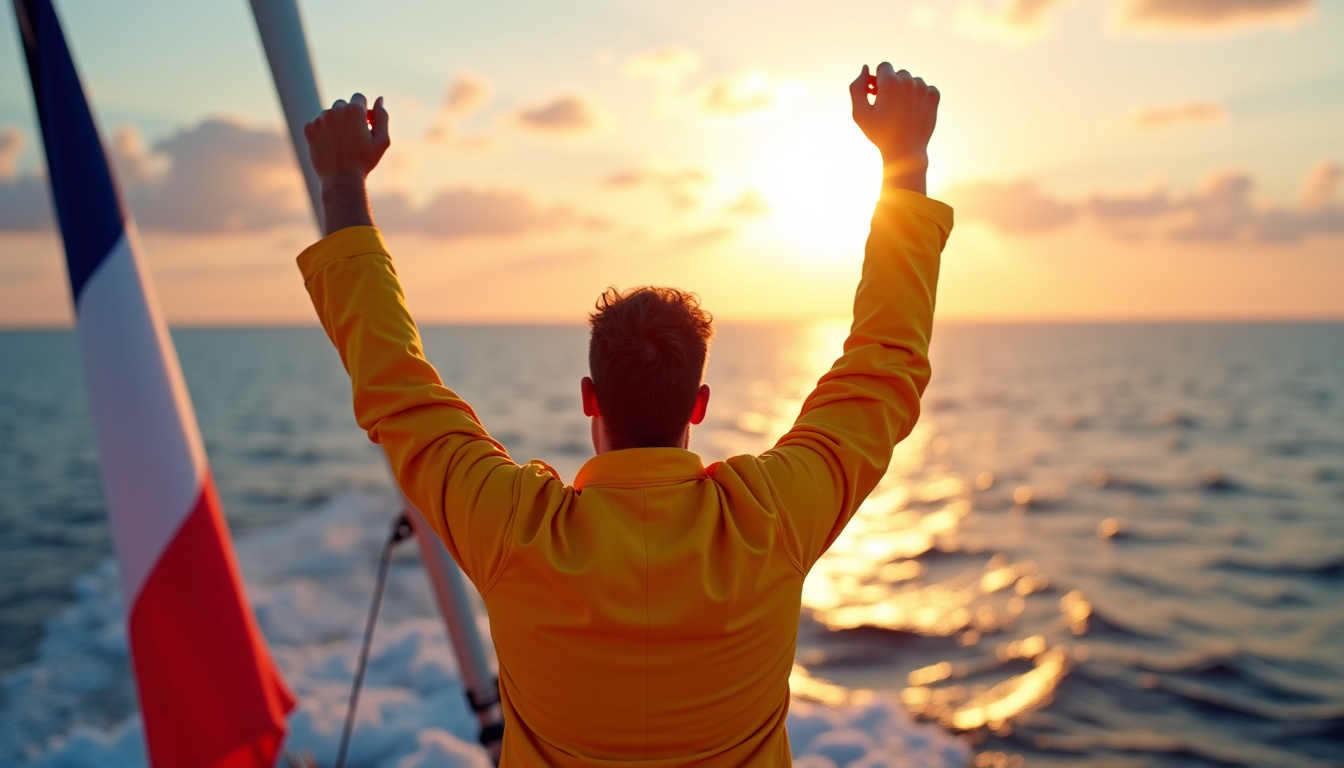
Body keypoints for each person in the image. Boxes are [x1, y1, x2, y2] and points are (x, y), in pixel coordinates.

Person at [299, 61, 951, 766]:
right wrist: (903, 162)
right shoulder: (770, 522)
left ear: (590, 398)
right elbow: (884, 367)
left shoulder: (515, 531)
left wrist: (341, 186)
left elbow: (395, 385)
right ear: (698, 406)